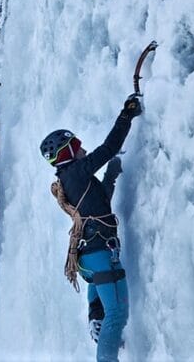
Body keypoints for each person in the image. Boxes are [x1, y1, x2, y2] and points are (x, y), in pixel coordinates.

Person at [39, 94, 143, 362]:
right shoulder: (76, 172)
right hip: (98, 251)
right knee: (118, 315)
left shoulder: (71, 178)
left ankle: (96, 319)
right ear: (67, 151)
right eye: (77, 144)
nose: (83, 148)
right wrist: (126, 114)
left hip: (92, 253)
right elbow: (108, 148)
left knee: (109, 312)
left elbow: (100, 202)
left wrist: (112, 174)